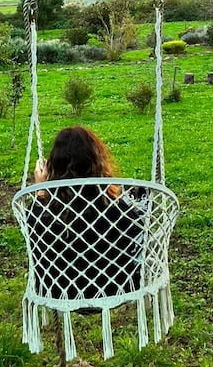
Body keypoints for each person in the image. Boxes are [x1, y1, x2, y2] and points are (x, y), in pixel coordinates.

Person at [28, 126, 144, 303]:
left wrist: (42, 191)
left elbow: (35, 238)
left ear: (53, 168)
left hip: (57, 291)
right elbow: (137, 235)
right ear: (97, 163)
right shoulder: (116, 210)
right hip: (115, 288)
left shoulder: (43, 215)